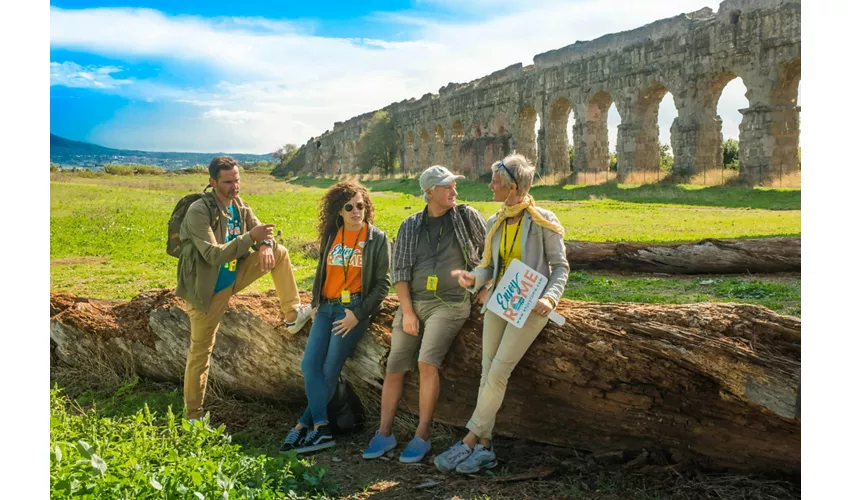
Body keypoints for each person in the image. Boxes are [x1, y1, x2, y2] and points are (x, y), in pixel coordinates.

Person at [434, 153, 569, 473]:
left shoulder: (543, 220)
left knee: (498, 371)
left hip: (531, 302)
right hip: (501, 299)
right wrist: (473, 279)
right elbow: (489, 268)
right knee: (487, 370)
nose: (490, 185)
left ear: (511, 187)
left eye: (495, 180)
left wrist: (550, 299)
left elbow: (561, 267)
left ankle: (468, 440)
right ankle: (485, 447)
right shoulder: (494, 222)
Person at [362, 165, 487, 464]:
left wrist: (485, 284)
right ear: (429, 192)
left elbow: (489, 255)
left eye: (454, 185)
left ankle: (422, 435)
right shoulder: (410, 225)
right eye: (447, 186)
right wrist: (407, 311)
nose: (454, 191)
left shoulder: (467, 216)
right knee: (394, 365)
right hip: (414, 302)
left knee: (426, 362)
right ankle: (385, 432)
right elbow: (400, 272)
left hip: (451, 303)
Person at [177, 156, 312, 423]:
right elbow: (213, 255)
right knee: (200, 353)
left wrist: (263, 245)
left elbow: (264, 233)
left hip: (232, 278)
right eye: (228, 182)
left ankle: (292, 315)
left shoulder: (239, 205)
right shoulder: (198, 211)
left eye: (237, 180)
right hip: (207, 289)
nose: (235, 187)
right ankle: (193, 416)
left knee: (279, 252)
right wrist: (252, 238)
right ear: (212, 182)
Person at [280, 182, 391, 453]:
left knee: (330, 369)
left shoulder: (376, 238)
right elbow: (322, 273)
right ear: (338, 211)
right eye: (349, 207)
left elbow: (382, 284)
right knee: (309, 365)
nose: (356, 211)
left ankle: (304, 427)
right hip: (326, 308)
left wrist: (359, 314)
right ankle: (320, 427)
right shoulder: (333, 236)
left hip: (351, 311)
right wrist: (316, 302)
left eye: (361, 205)